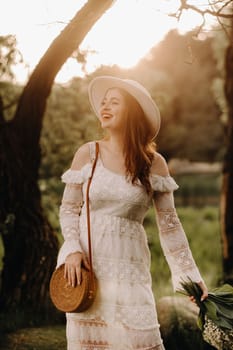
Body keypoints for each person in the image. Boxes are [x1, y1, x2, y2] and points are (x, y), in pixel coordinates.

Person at [56, 75, 208, 350]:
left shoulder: (154, 163)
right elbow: (69, 210)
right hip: (90, 265)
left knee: (140, 340)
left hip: (130, 267)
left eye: (114, 102)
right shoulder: (87, 154)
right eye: (104, 102)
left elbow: (170, 227)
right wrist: (72, 249)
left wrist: (190, 277)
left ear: (133, 111)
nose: (105, 107)